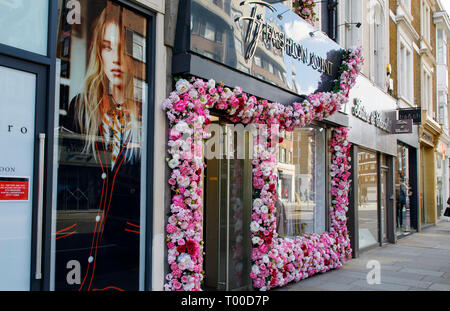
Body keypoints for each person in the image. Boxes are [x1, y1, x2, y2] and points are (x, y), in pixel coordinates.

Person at [56, 3, 143, 291]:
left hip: (124, 240)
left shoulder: (142, 116)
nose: (115, 58)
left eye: (123, 49)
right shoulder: (81, 107)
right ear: (98, 53)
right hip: (82, 236)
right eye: (107, 47)